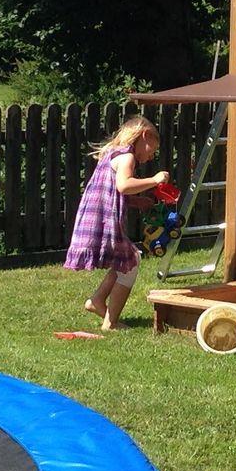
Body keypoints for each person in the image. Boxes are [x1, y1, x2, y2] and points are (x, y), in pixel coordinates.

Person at [65, 115, 170, 330]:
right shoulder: (127, 157)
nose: (151, 156)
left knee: (124, 261)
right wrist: (154, 180)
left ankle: (97, 301)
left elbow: (113, 192)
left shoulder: (113, 154)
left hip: (94, 218)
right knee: (131, 260)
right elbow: (123, 186)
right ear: (144, 136)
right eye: (152, 150)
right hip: (103, 222)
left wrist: (137, 201)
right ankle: (110, 323)